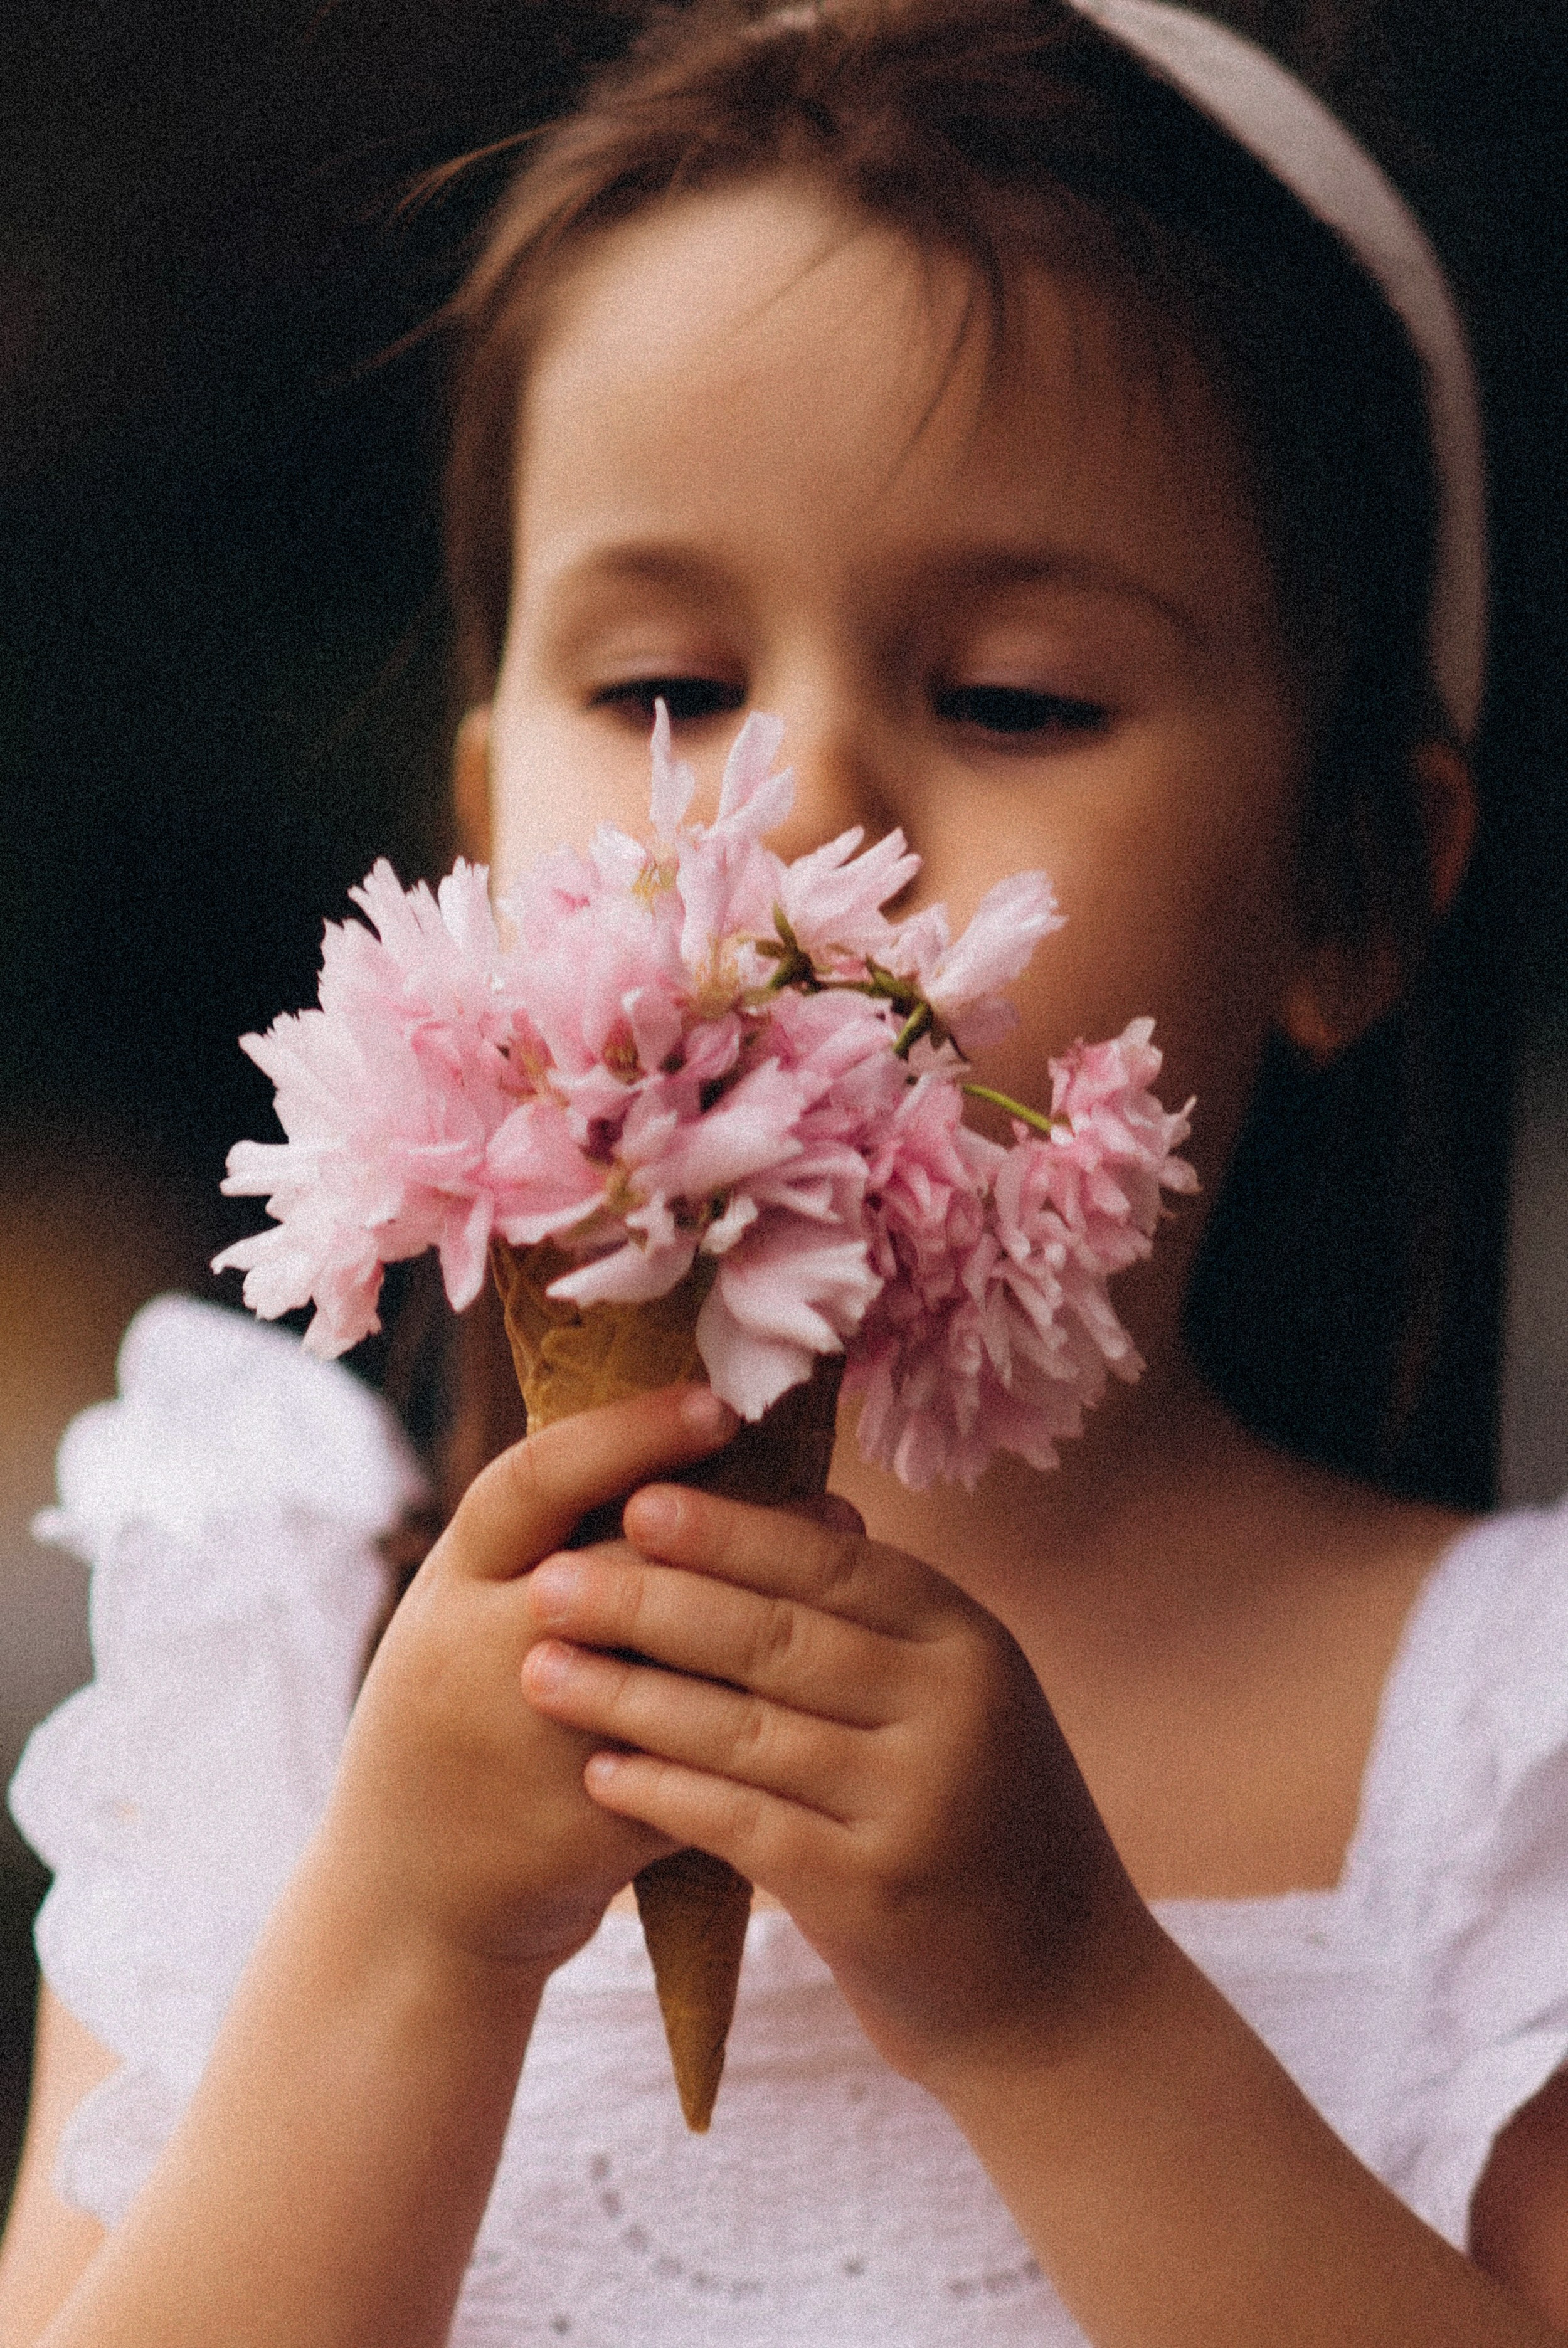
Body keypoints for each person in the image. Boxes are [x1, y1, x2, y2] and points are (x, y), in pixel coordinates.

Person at [0, 2, 1559, 2341]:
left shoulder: (1498, 1728)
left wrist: (1064, 2006)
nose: (792, 817)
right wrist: (411, 1939)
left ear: (1345, 890)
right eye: (658, 691)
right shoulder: (277, 1669)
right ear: (479, 812)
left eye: (1016, 697)